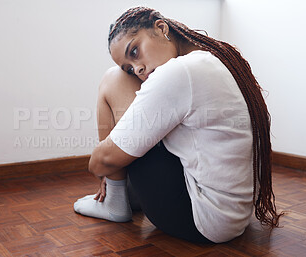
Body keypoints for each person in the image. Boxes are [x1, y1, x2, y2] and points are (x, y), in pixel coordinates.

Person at [73, 6, 283, 243]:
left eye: (135, 51)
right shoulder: (210, 60)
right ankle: (122, 192)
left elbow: (100, 162)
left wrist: (107, 169)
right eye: (129, 67)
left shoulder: (178, 72)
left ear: (161, 28)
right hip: (232, 216)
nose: (137, 68)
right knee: (129, 133)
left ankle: (114, 200)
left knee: (113, 78)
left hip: (200, 221)